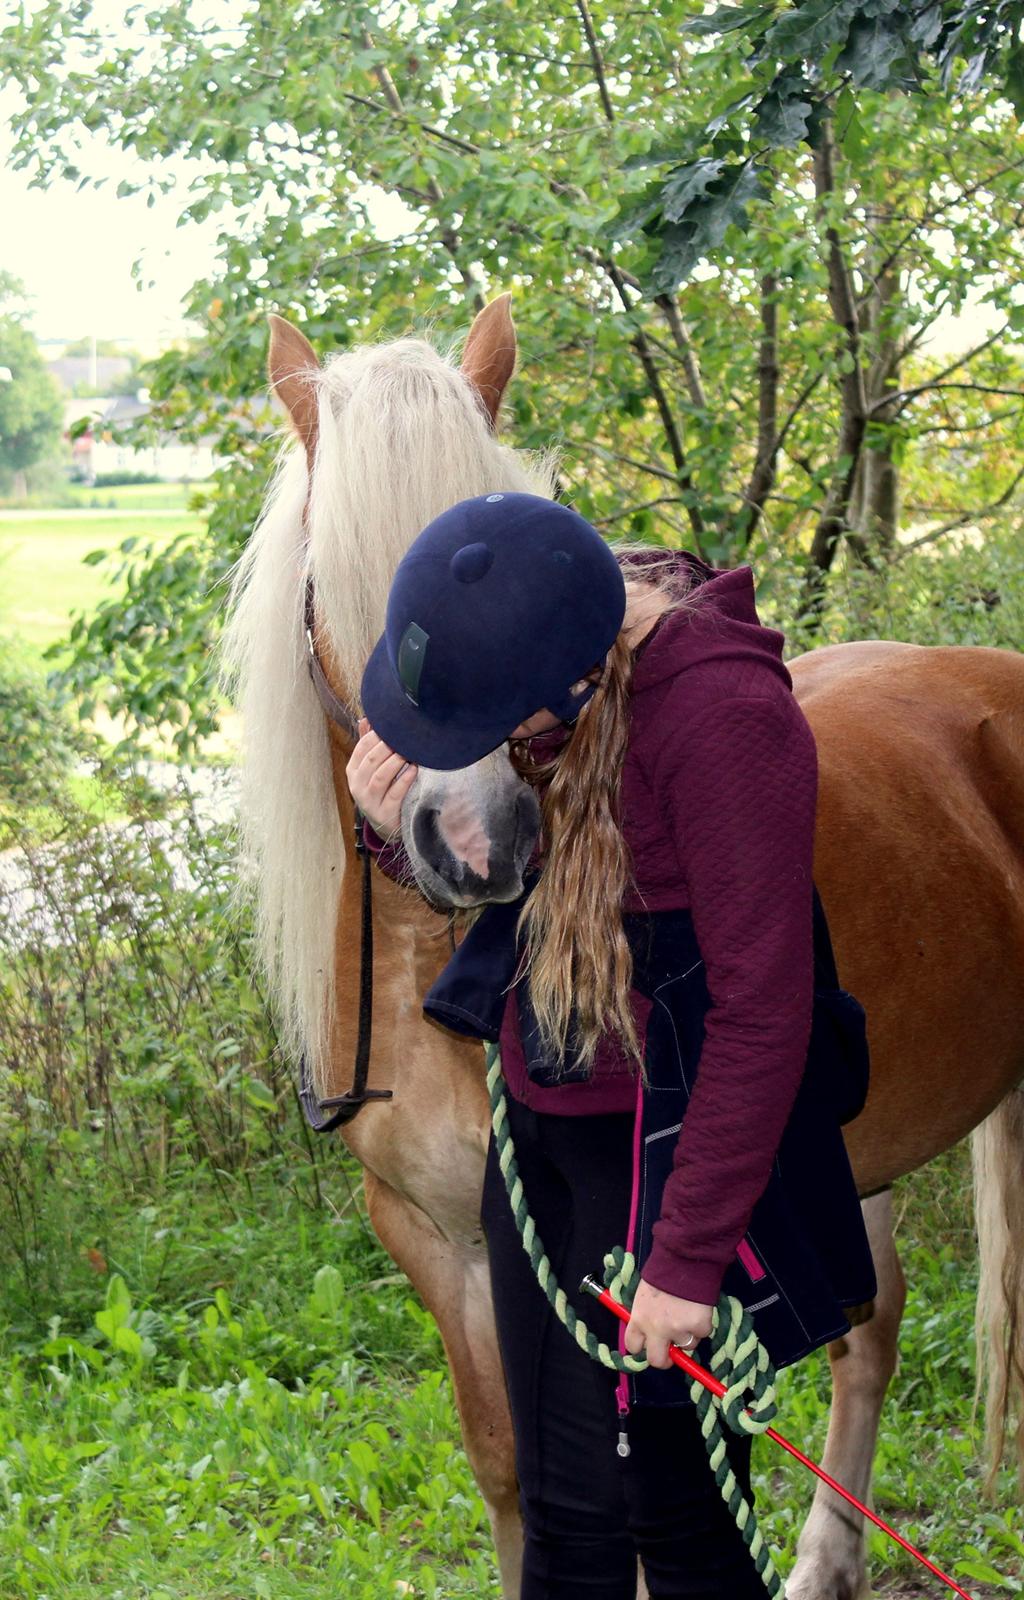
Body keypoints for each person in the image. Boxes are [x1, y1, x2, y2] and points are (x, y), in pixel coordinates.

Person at [345, 491, 876, 1600]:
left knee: (675, 1514)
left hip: (674, 1149)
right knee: (567, 1513)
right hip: (548, 1121)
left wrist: (685, 1263)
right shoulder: (553, 673)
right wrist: (394, 825)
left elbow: (762, 1011)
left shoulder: (724, 720)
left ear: (566, 696)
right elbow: (499, 880)